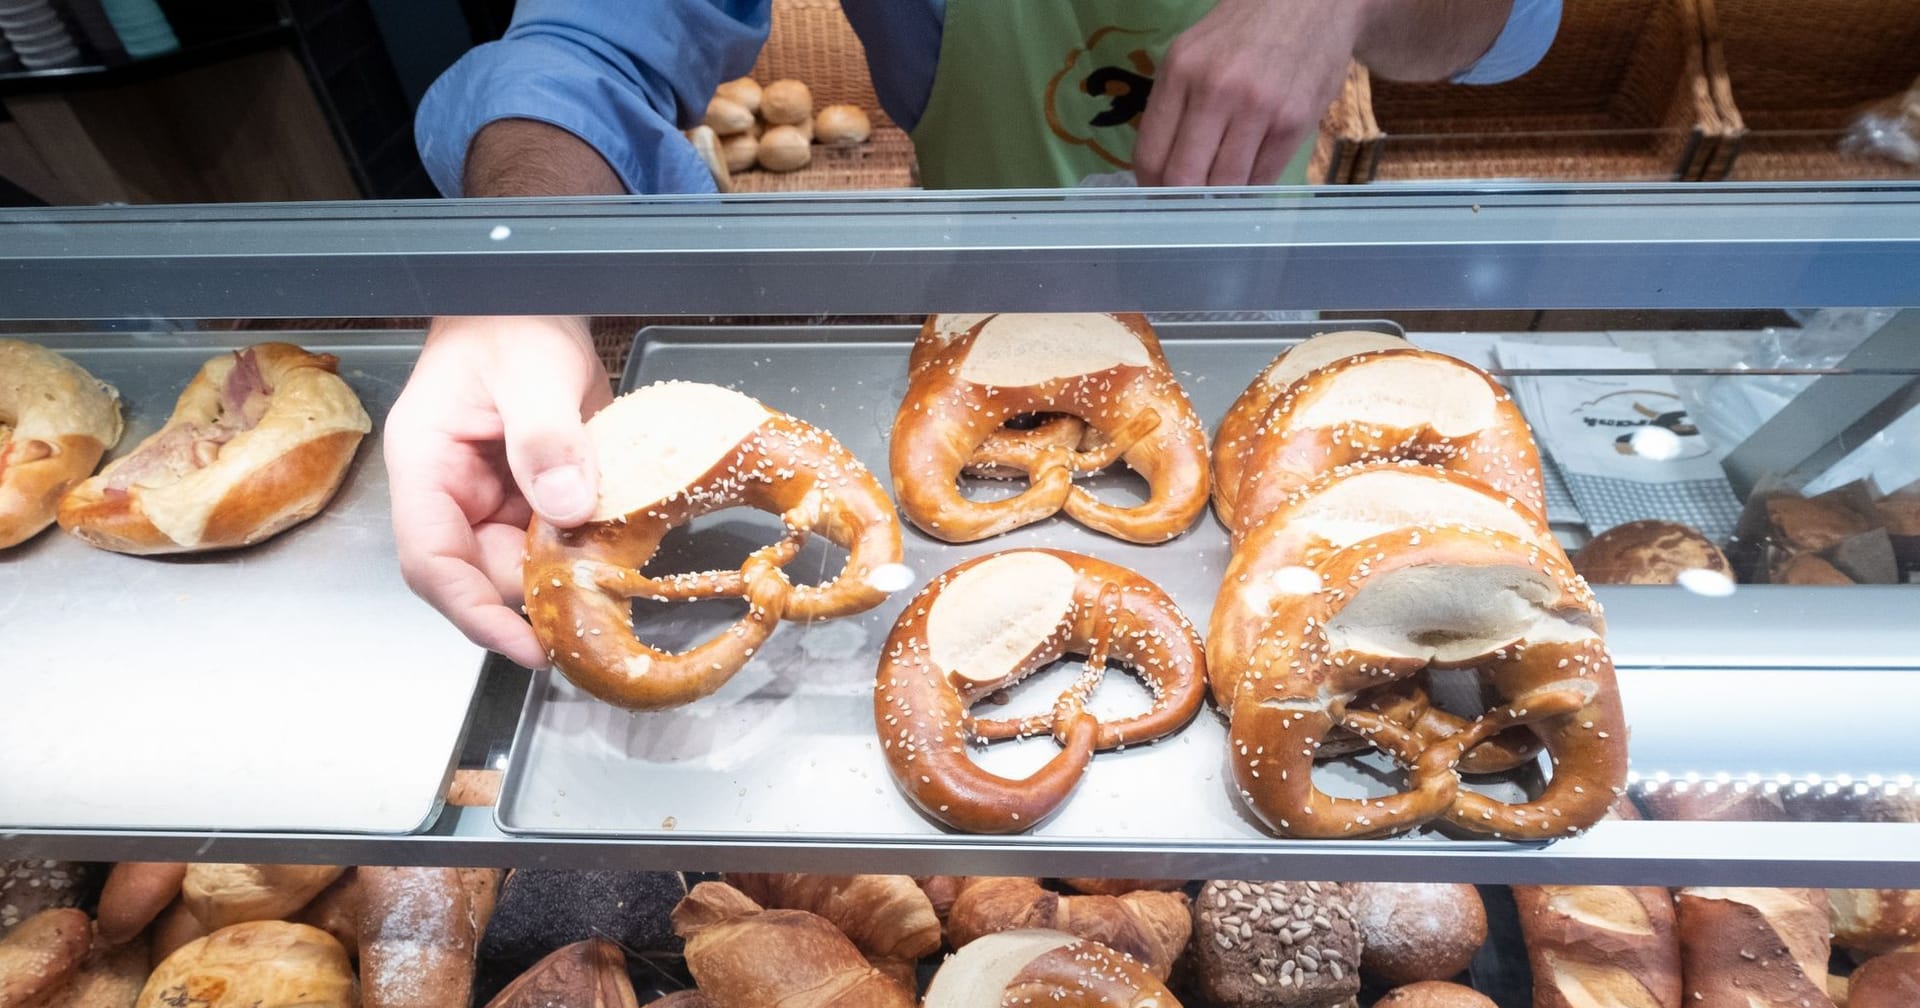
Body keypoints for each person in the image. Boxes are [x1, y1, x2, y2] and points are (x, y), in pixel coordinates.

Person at [387, 0, 1562, 667]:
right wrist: (521, 275)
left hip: (1252, 334)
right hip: (975, 316)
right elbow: (585, 48)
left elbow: (1513, 24)